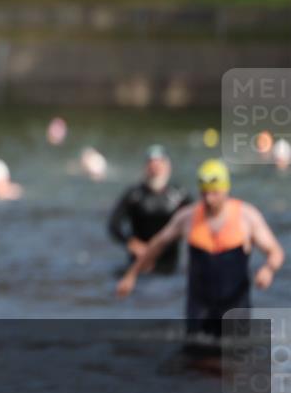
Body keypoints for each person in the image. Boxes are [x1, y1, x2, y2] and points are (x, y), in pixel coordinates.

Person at [116, 159, 284, 339]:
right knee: (196, 361)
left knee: (234, 361)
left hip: (235, 307)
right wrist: (131, 274)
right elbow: (157, 244)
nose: (209, 199)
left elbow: (276, 252)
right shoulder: (187, 217)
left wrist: (268, 269)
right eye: (204, 193)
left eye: (214, 193)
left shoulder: (247, 216)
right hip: (199, 307)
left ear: (226, 189)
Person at [107, 145, 191, 276]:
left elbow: (197, 221)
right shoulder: (134, 195)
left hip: (169, 264)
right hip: (139, 263)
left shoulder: (180, 195)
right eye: (151, 165)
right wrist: (131, 243)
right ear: (146, 167)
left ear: (167, 166)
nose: (155, 169)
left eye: (159, 164)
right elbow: (114, 225)